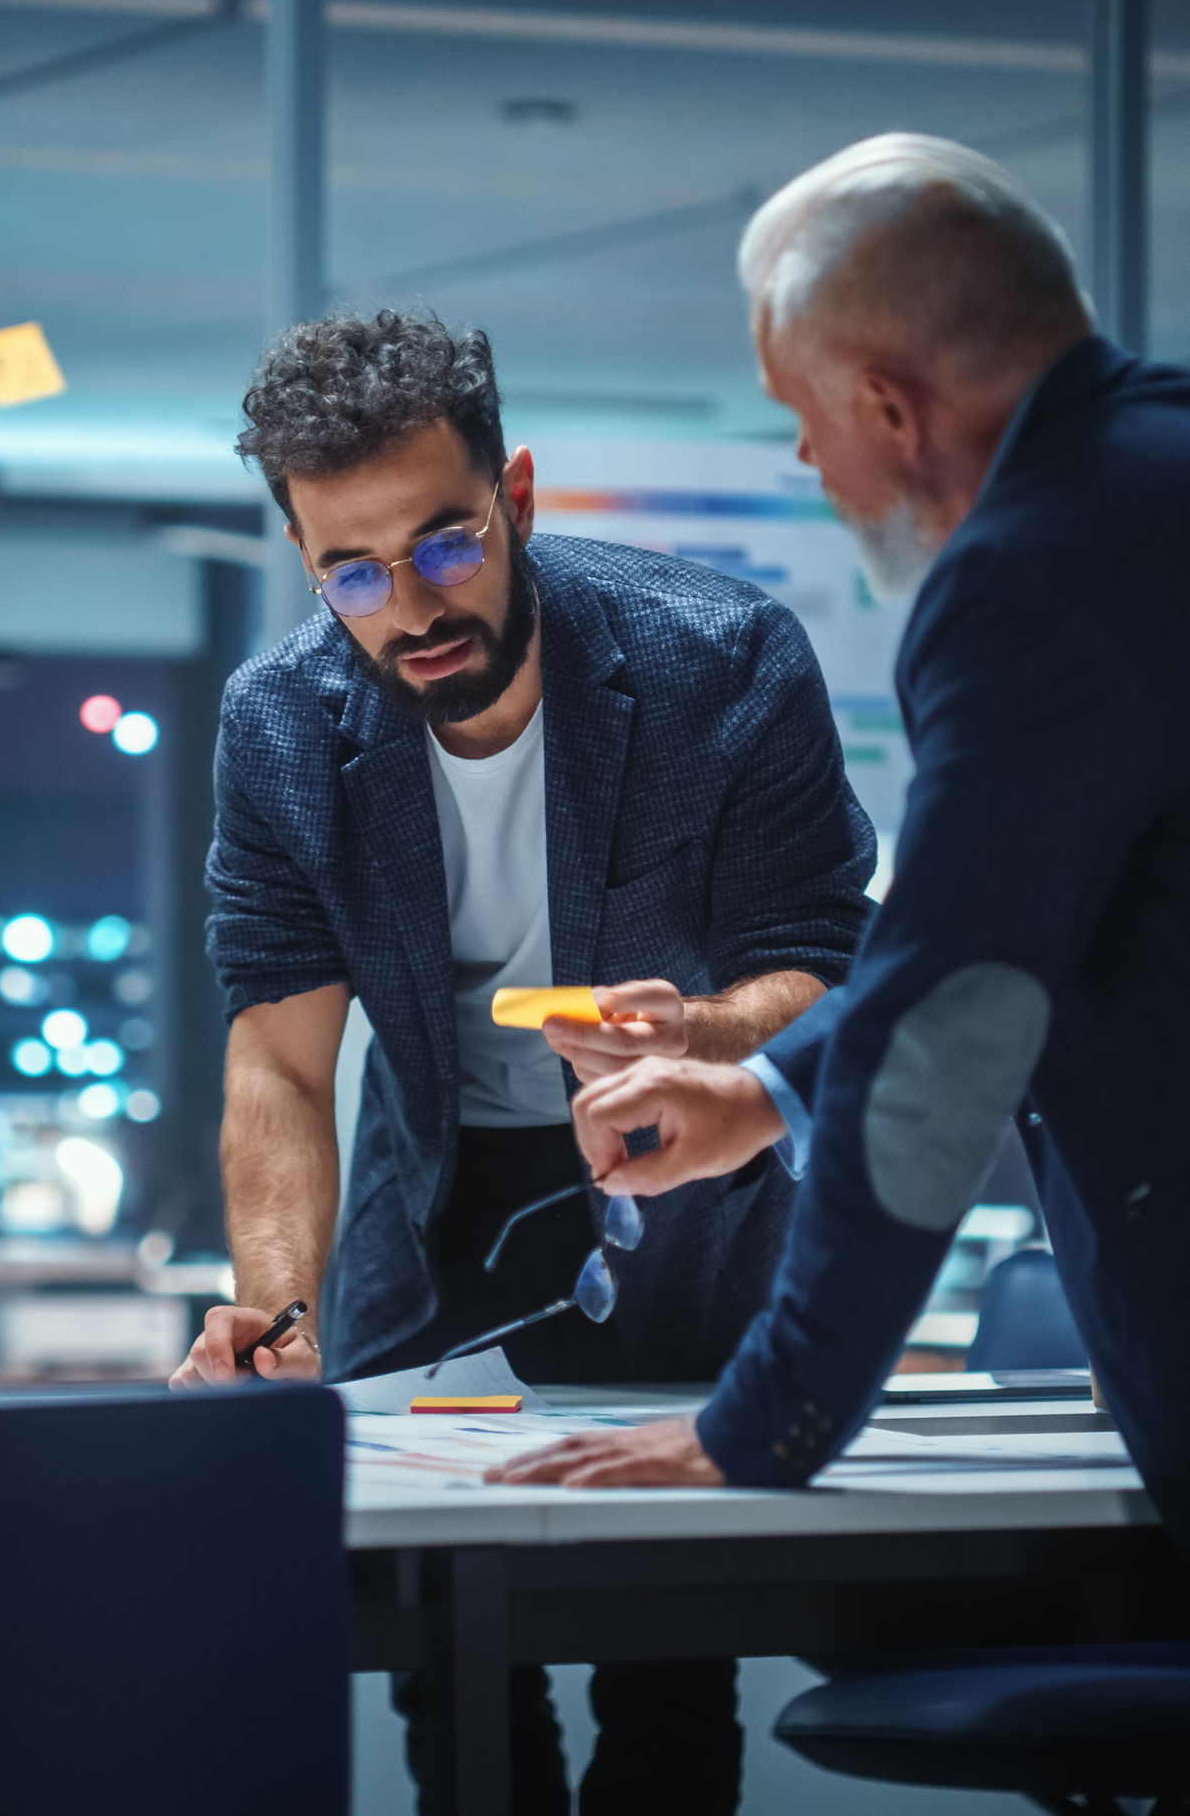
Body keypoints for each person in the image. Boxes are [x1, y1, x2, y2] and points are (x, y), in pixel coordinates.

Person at [170, 311, 875, 1812]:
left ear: (523, 497)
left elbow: (823, 951)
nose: (408, 603)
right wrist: (275, 1307)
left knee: (669, 1682)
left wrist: (719, 1032)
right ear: (306, 564)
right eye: (350, 571)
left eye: (445, 542)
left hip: (681, 1196)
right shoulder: (282, 725)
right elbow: (281, 1063)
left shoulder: (720, 663)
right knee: (454, 1677)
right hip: (430, 1219)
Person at [488, 133, 1190, 1553]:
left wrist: (772, 1416)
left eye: (801, 415)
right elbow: (1044, 921)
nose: (803, 456)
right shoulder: (1156, 474)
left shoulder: (1028, 574)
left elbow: (955, 1011)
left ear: (886, 402)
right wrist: (764, 1092)